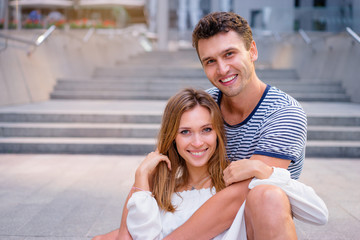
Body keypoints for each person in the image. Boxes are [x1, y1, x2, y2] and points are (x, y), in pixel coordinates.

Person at [93, 12, 314, 239]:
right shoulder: (206, 104)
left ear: (252, 51)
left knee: (265, 194)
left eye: (229, 54)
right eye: (210, 61)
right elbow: (158, 163)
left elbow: (239, 196)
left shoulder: (284, 114)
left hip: (251, 223)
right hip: (203, 207)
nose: (222, 69)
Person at [93, 88, 327, 240]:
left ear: (218, 133)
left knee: (271, 194)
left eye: (206, 130)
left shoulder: (235, 182)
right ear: (172, 137)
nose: (197, 142)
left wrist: (263, 170)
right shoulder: (162, 194)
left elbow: (319, 213)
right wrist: (141, 178)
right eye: (185, 132)